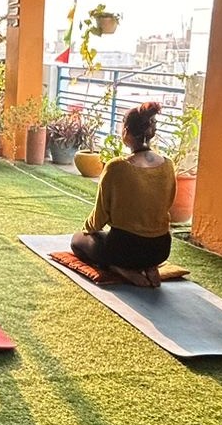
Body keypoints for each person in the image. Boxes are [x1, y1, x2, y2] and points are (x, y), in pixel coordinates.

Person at [70, 102, 176, 287]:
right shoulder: (168, 164)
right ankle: (150, 266)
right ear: (151, 132)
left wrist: (87, 231)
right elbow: (167, 205)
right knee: (137, 248)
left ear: (126, 131)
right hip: (160, 249)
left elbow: (99, 216)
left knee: (77, 241)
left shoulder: (116, 167)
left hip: (123, 249)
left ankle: (119, 268)